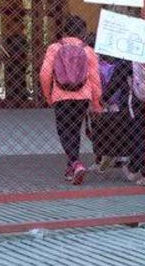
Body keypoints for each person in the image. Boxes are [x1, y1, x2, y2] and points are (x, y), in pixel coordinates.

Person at [40, 15, 102, 185]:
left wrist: (48, 95)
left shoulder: (54, 48)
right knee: (75, 129)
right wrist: (96, 102)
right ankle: (71, 167)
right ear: (82, 32)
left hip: (61, 96)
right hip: (82, 97)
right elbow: (95, 79)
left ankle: (75, 163)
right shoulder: (88, 51)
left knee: (63, 130)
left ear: (65, 31)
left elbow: (45, 74)